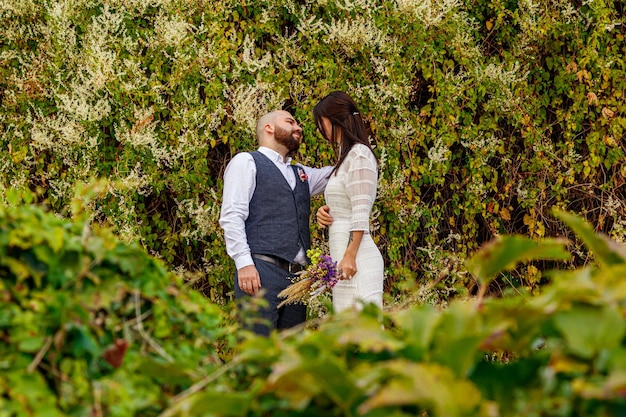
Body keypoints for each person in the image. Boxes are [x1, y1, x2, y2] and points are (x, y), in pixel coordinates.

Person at [219, 110, 334, 336]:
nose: (298, 127)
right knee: (256, 353)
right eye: (290, 122)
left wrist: (354, 143)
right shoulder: (247, 162)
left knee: (290, 359)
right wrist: (244, 263)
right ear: (269, 128)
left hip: (297, 280)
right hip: (261, 272)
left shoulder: (301, 174)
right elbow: (232, 215)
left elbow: (340, 173)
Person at [313, 91, 384, 313]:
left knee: (364, 335)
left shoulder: (359, 155)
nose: (319, 130)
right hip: (341, 257)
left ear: (336, 120)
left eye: (320, 123)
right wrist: (325, 212)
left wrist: (350, 256)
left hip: (356, 259)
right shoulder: (345, 157)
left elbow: (361, 212)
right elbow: (346, 202)